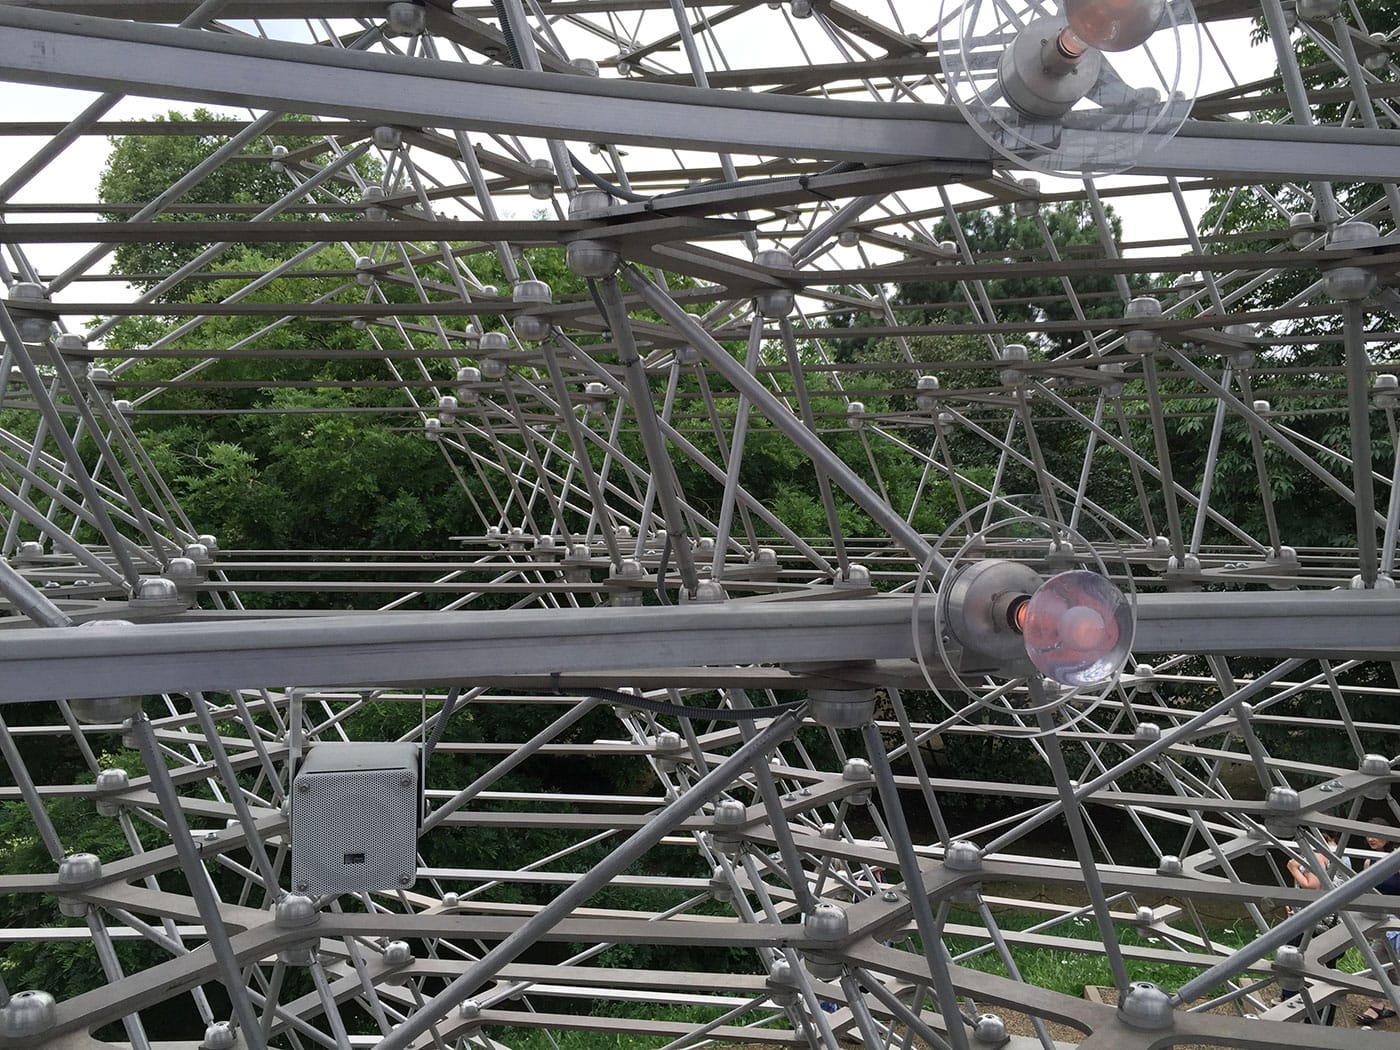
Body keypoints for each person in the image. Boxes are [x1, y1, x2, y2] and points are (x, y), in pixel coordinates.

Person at [1355, 819, 1399, 1027]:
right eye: (1368, 835)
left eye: (1376, 834)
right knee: (1378, 960)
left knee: (1390, 963)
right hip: (1380, 920)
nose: (1371, 839)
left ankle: (1386, 1002)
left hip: (1397, 919)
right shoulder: (1369, 861)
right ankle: (1378, 1003)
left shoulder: (1396, 858)